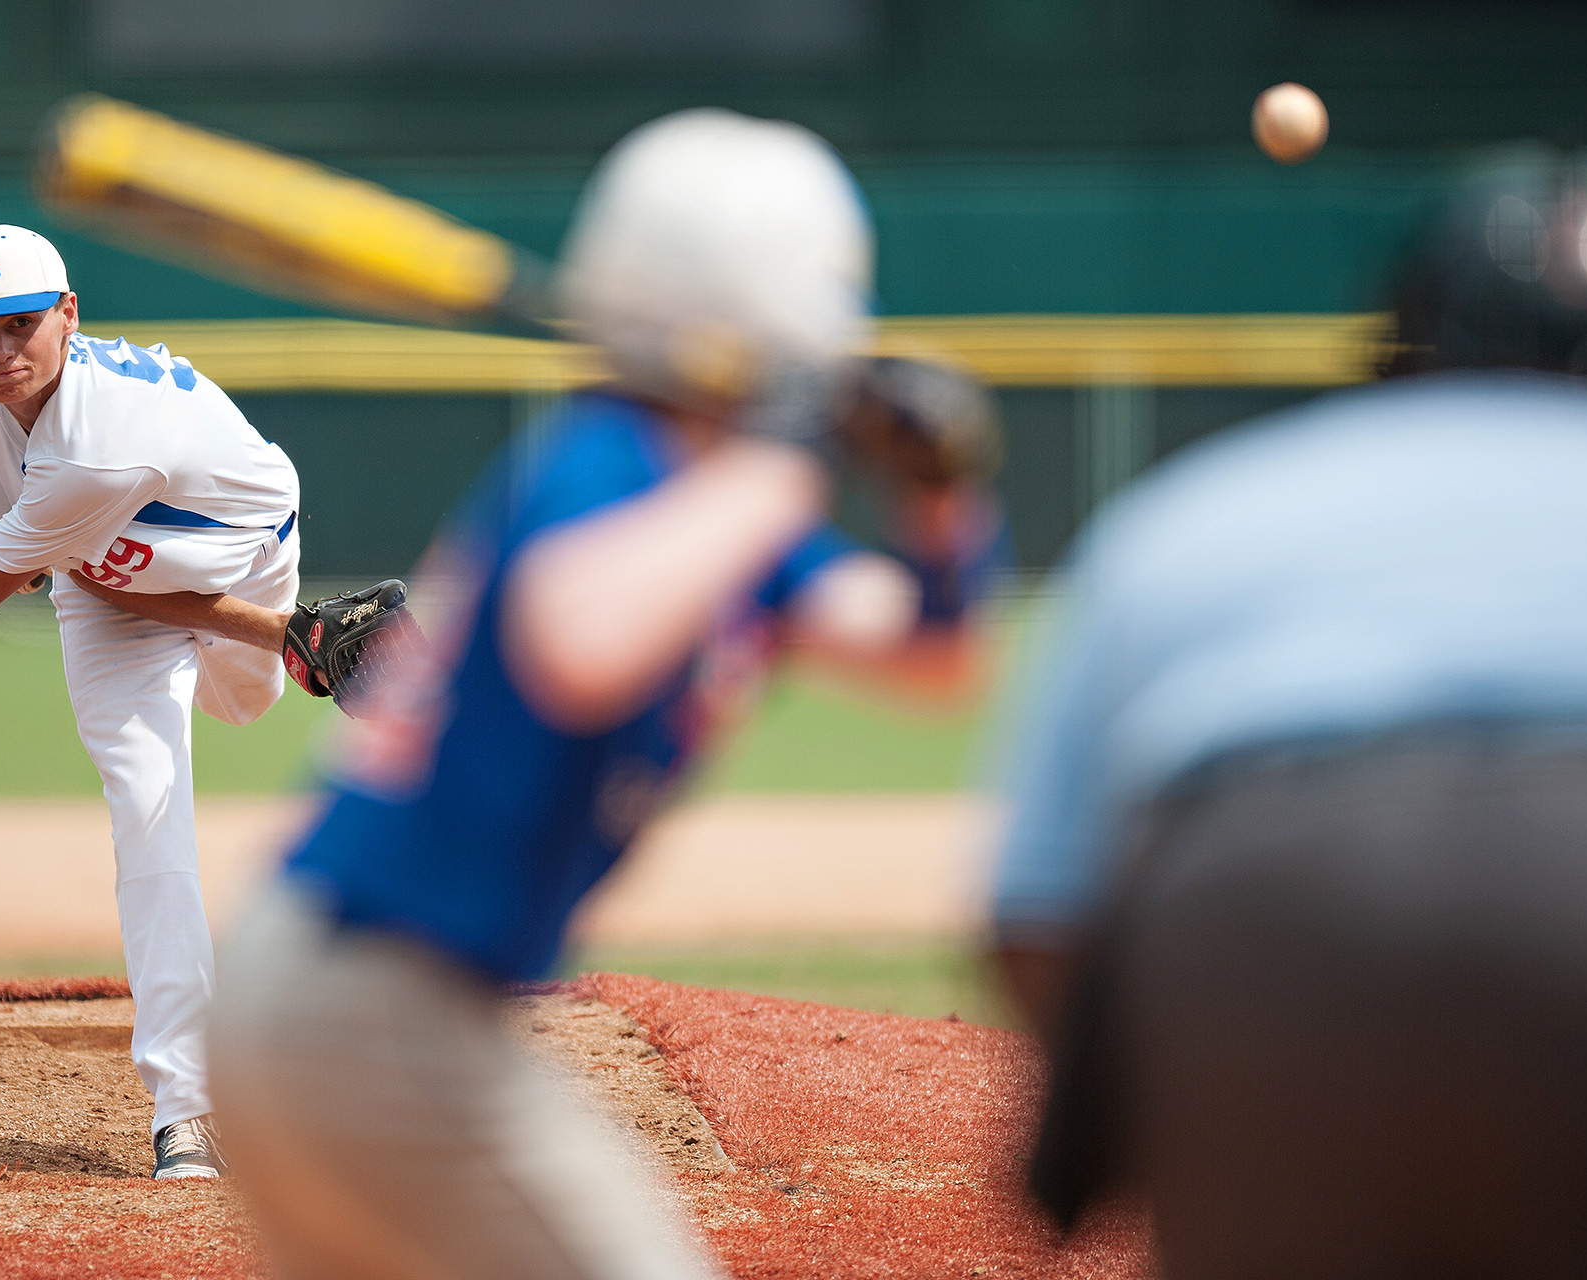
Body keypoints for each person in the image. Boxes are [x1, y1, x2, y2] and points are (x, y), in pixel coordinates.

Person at [207, 108, 1005, 1280]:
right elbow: (577, 640)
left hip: (367, 1005)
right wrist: (784, 462)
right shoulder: (604, 460)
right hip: (370, 1000)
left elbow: (934, 663)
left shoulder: (715, 512)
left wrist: (942, 503)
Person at [989, 145, 1587, 1277]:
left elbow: (1034, 911)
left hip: (1262, 918)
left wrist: (1163, 1114)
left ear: (1399, 341)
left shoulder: (1204, 502)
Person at [0, 224, 392, 1180]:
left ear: (68, 314)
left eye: (20, 325)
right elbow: (54, 576)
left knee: (244, 706)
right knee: (148, 806)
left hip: (239, 550)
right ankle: (191, 1105)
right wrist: (291, 635)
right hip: (103, 587)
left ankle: (283, 644)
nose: (0, 354)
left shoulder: (103, 439)